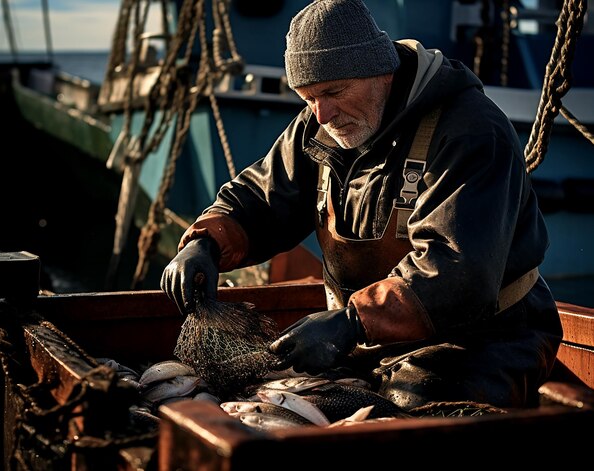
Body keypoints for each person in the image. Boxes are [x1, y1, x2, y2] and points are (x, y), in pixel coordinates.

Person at [161, 0, 563, 410]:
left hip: (482, 342)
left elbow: (459, 270)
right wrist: (207, 241)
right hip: (368, 342)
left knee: (408, 415)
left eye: (333, 92)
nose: (322, 115)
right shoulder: (320, 127)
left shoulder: (470, 131)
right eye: (308, 97)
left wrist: (354, 321)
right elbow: (262, 197)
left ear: (382, 69)